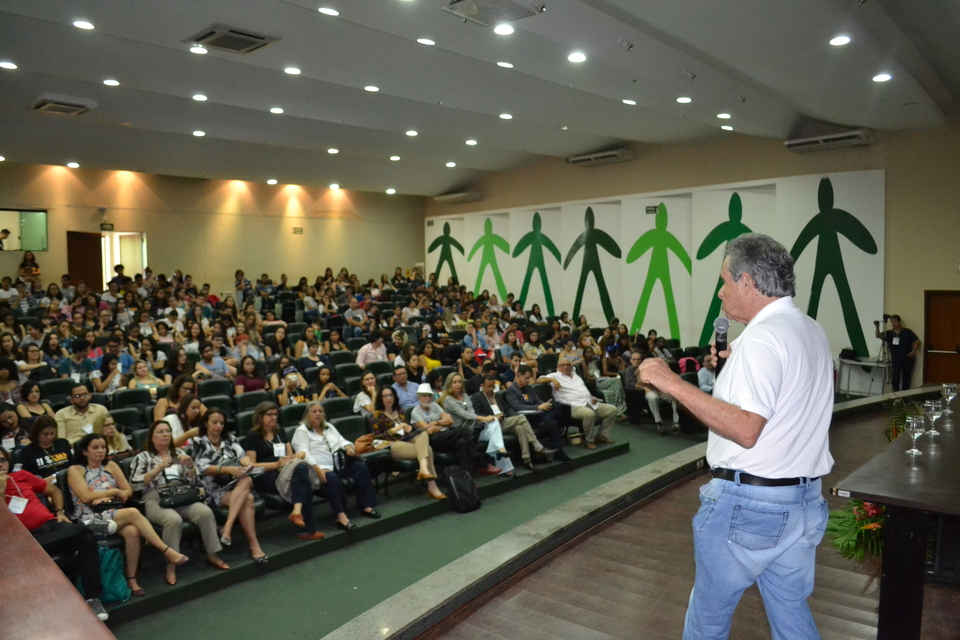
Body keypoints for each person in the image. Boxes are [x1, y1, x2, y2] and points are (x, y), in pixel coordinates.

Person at [638, 233, 833, 640]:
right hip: (803, 500)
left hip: (751, 507)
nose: (721, 291)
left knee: (707, 620)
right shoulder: (809, 329)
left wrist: (671, 382)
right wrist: (731, 368)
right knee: (791, 617)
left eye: (725, 280)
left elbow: (746, 429)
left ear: (747, 282)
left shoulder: (762, 339)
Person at [68, 433, 189, 597]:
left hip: (112, 511)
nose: (100, 451)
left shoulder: (111, 466)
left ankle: (131, 579)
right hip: (90, 517)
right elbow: (86, 497)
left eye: (103, 447)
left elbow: (128, 490)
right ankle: (167, 551)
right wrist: (114, 491)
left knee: (132, 531)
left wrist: (113, 495)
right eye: (95, 448)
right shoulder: (76, 470)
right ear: (84, 451)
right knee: (133, 512)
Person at [1, 447, 111, 620]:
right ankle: (86, 524)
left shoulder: (21, 476)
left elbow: (55, 491)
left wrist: (60, 511)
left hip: (53, 526)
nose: (0, 465)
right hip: (24, 538)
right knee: (84, 531)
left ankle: (92, 598)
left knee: (87, 539)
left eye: (2, 460)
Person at [129, 420, 227, 585]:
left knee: (205, 512)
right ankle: (171, 564)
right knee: (173, 520)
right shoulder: (143, 457)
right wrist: (157, 469)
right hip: (154, 496)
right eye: (160, 432)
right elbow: (135, 484)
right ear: (151, 437)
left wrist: (190, 467)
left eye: (167, 431)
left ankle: (213, 555)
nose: (165, 434)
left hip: (180, 494)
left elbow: (193, 482)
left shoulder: (179, 453)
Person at [190, 409, 267, 562]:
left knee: (247, 480)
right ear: (206, 423)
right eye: (214, 422)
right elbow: (203, 469)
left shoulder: (230, 439)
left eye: (221, 423)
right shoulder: (199, 443)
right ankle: (254, 546)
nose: (218, 426)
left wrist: (247, 466)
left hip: (235, 484)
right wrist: (227, 469)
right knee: (248, 499)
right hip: (213, 489)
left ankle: (227, 527)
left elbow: (243, 457)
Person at [241, 402, 323, 541]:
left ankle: (298, 513)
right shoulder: (252, 436)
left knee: (301, 469)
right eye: (269, 415)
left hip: (285, 470)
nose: (273, 418)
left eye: (275, 414)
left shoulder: (281, 433)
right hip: (264, 475)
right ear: (260, 417)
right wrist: (276, 464)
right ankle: (307, 529)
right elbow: (252, 466)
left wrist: (299, 455)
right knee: (303, 481)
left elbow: (290, 456)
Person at [291, 402, 380, 531]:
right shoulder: (302, 431)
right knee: (331, 478)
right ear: (307, 415)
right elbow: (303, 453)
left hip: (338, 464)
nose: (318, 414)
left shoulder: (329, 427)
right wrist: (317, 468)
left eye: (320, 411)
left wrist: (348, 447)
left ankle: (365, 506)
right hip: (317, 467)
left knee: (361, 467)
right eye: (314, 411)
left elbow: (341, 440)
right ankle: (341, 516)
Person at [371, 387, 445, 500]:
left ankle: (424, 470)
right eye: (385, 396)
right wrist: (395, 429)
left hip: (405, 439)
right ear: (380, 399)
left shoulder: (399, 411)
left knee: (423, 434)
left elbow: (405, 430)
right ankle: (431, 485)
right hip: (390, 445)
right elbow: (377, 437)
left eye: (390, 395)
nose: (388, 398)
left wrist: (408, 427)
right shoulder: (376, 415)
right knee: (428, 450)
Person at [410, 383, 499, 476]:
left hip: (446, 436)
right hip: (432, 441)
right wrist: (442, 423)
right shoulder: (415, 412)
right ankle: (482, 463)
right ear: (419, 397)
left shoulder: (434, 406)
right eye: (424, 396)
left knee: (462, 442)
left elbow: (450, 420)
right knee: (463, 430)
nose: (427, 398)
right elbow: (428, 430)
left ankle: (466, 478)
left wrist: (436, 423)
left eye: (429, 396)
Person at [472, 374, 551, 471]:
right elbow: (476, 414)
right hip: (490, 425)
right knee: (521, 418)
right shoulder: (477, 397)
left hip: (503, 421)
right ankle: (537, 445)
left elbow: (507, 408)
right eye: (489, 386)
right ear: (482, 386)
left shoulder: (496, 396)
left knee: (520, 428)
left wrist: (508, 415)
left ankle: (527, 459)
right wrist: (492, 417)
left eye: (493, 386)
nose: (491, 389)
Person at [441, 373, 514, 477]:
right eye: (454, 382)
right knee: (496, 436)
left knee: (495, 424)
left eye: (459, 382)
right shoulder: (448, 400)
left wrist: (486, 419)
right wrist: (484, 418)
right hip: (463, 433)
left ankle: (501, 456)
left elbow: (472, 412)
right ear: (449, 384)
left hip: (475, 428)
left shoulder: (465, 396)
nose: (458, 384)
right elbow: (465, 414)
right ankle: (504, 465)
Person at [538, 358, 618, 450]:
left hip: (589, 402)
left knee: (612, 410)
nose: (565, 367)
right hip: (572, 407)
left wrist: (591, 397)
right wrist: (553, 380)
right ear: (558, 367)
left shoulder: (575, 375)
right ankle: (589, 441)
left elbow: (583, 390)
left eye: (567, 365)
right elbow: (538, 380)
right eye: (562, 365)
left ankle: (602, 436)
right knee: (589, 414)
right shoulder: (554, 375)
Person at [503, 365, 570, 462]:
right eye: (526, 378)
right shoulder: (511, 390)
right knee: (551, 423)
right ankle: (559, 453)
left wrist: (545, 404)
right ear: (519, 375)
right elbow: (517, 407)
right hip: (526, 418)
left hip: (537, 414)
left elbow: (538, 401)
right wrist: (537, 407)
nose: (529, 380)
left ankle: (548, 420)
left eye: (530, 378)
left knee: (556, 405)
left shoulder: (529, 388)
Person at [874, 314, 920, 392]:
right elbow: (878, 335)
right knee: (895, 377)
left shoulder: (907, 331)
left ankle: (905, 395)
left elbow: (917, 341)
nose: (893, 323)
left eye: (895, 321)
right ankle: (895, 394)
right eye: (892, 322)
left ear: (899, 322)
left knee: (907, 377)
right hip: (896, 358)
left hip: (907, 358)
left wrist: (913, 351)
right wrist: (877, 327)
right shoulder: (889, 333)